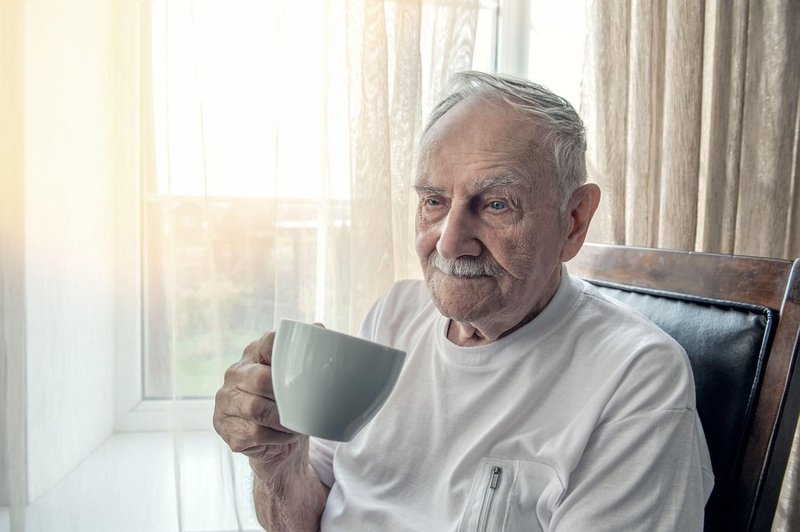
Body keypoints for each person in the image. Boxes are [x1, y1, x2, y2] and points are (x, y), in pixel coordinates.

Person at [213, 71, 714, 531]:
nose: (449, 242)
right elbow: (307, 515)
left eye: (496, 204)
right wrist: (276, 460)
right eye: (434, 201)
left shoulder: (638, 376)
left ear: (574, 220)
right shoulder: (393, 316)